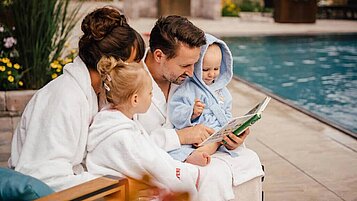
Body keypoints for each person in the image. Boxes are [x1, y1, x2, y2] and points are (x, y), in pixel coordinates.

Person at [9, 7, 145, 191]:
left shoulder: (102, 94)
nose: (139, 71)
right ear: (110, 63)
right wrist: (112, 184)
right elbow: (42, 177)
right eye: (134, 63)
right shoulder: (63, 97)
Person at [136, 15, 264, 201]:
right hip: (153, 171)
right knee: (210, 175)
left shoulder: (188, 80)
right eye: (185, 65)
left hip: (194, 159)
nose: (192, 72)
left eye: (195, 64)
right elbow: (129, 145)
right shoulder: (129, 82)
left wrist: (231, 138)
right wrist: (182, 136)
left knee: (248, 158)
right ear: (159, 56)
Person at [86, 56, 200, 200]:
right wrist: (183, 181)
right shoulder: (123, 135)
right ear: (135, 99)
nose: (152, 97)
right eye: (150, 93)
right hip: (119, 191)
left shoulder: (110, 119)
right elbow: (154, 164)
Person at [168, 33, 235, 166]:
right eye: (205, 69)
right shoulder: (188, 89)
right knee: (181, 148)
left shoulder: (223, 91)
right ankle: (192, 155)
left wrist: (232, 128)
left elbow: (227, 112)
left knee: (217, 141)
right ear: (196, 66)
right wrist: (192, 113)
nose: (212, 74)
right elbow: (176, 111)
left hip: (217, 134)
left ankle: (200, 153)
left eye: (216, 69)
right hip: (195, 132)